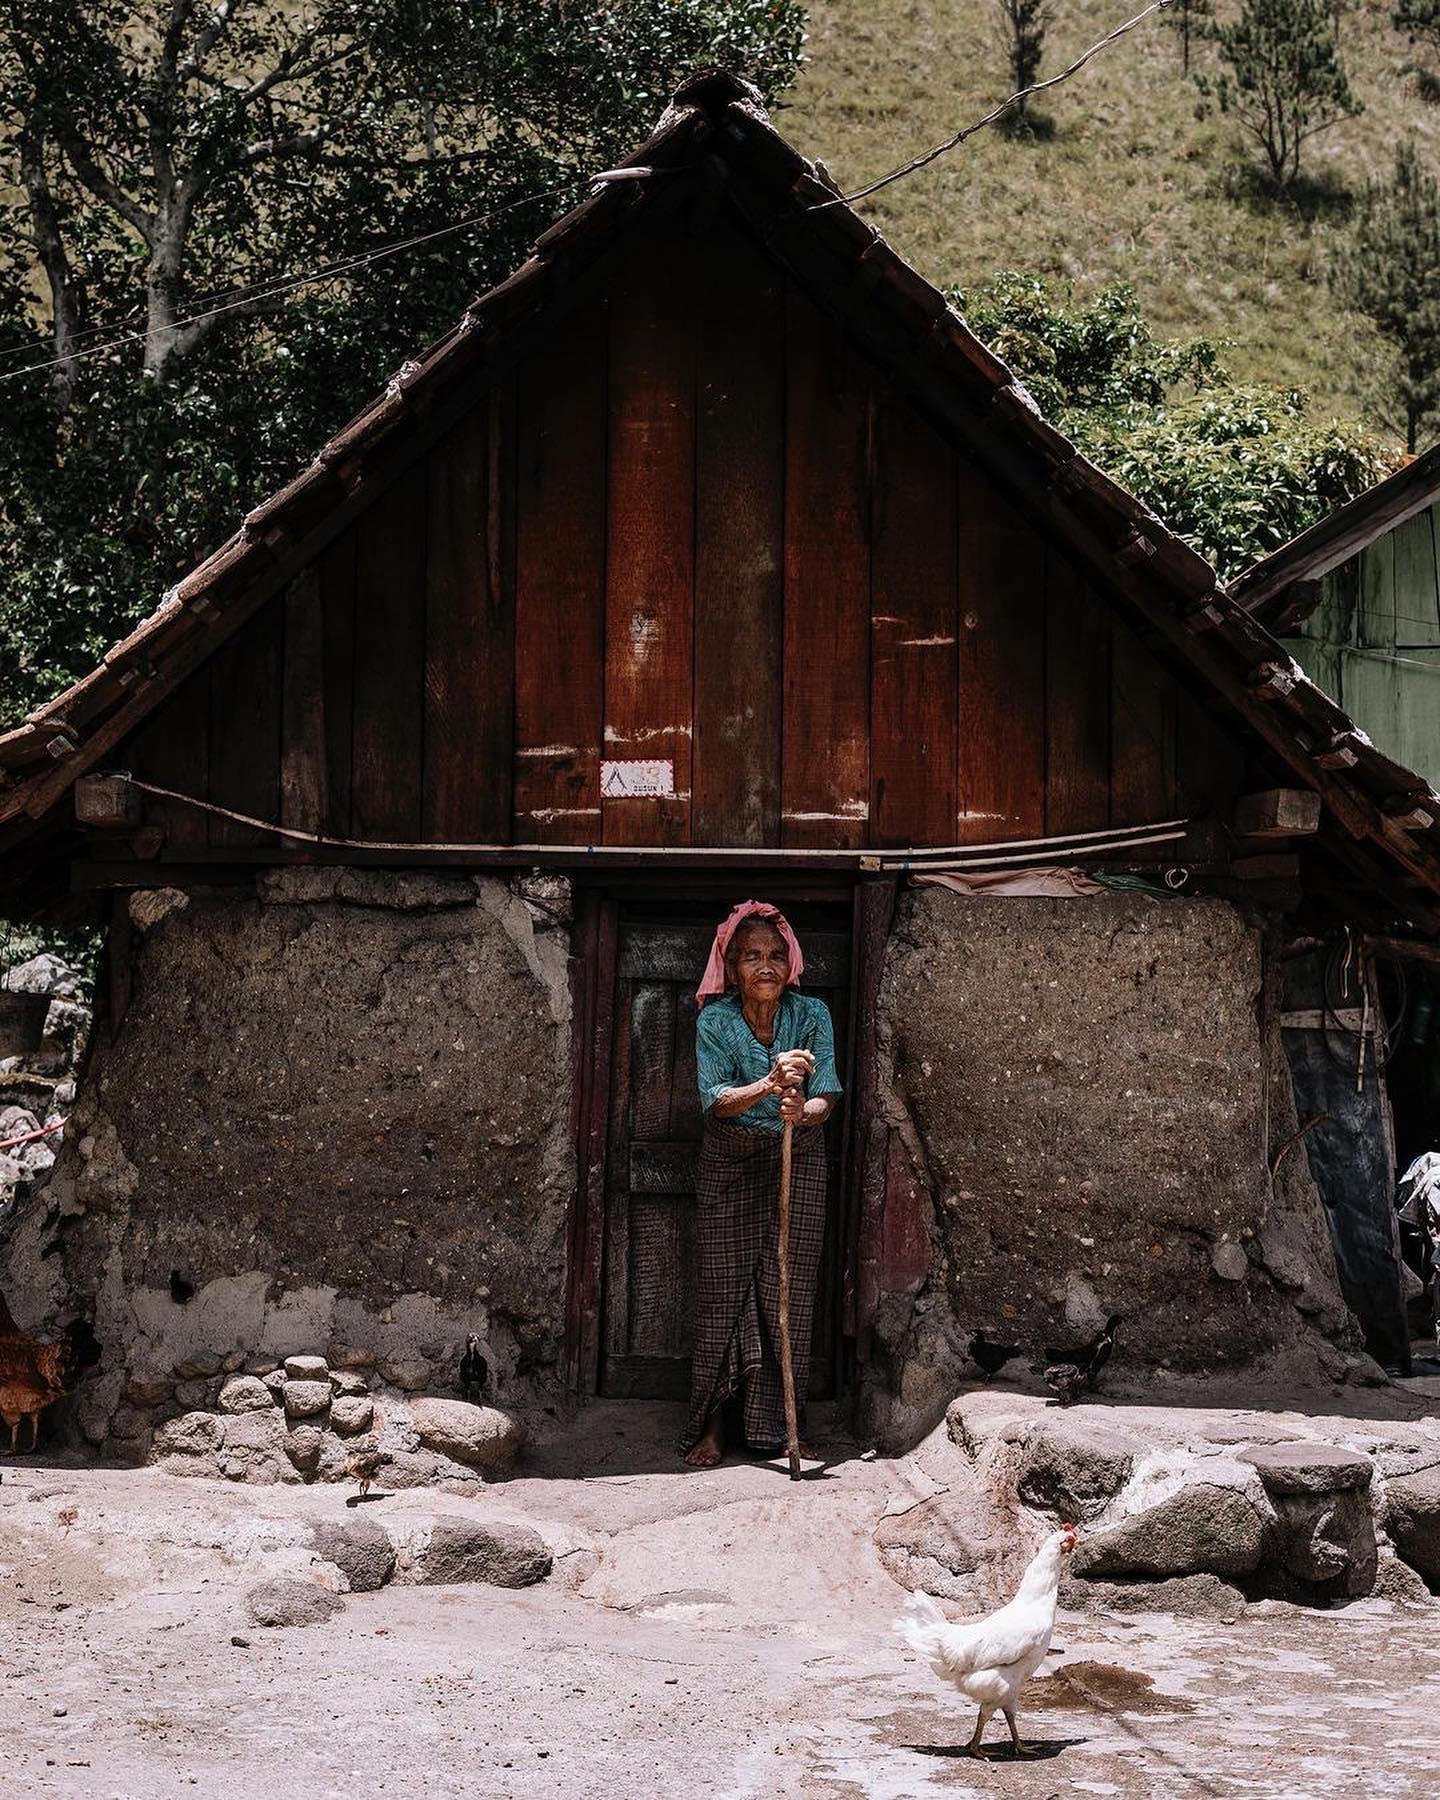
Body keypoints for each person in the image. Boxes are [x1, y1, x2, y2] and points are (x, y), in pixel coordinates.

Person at [681, 900, 843, 1469]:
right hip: (730, 1160)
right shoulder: (714, 1021)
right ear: (730, 965)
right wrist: (768, 1085)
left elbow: (827, 1092)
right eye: (751, 956)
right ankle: (716, 1427)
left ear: (791, 962)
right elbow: (715, 1101)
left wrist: (807, 1109)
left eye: (776, 955)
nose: (766, 966)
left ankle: (784, 1429)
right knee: (723, 1291)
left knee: (789, 1292)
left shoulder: (813, 1015)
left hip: (797, 1158)